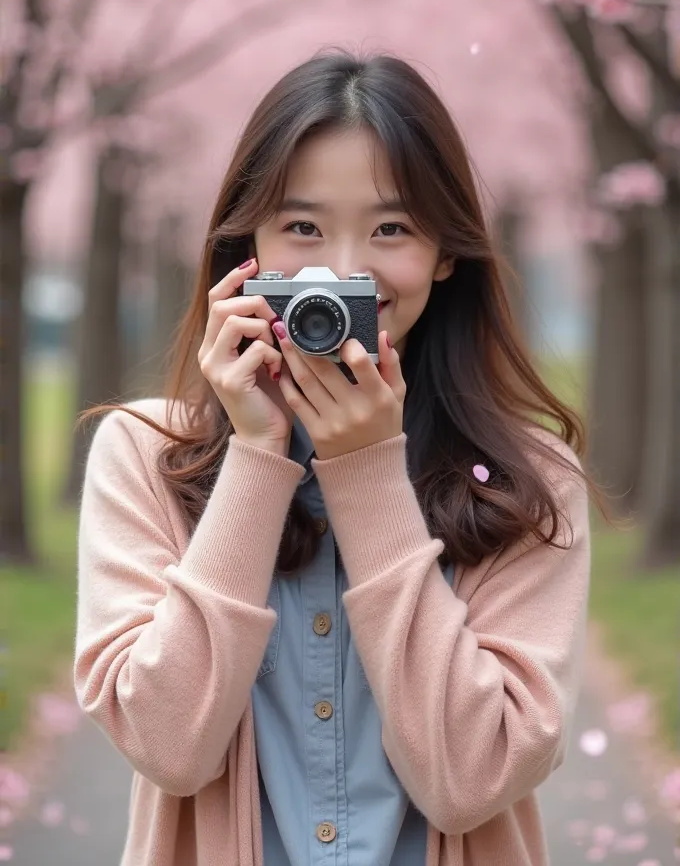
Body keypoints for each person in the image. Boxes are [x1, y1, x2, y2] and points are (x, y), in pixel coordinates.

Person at [74, 49, 596, 866]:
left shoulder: (529, 481)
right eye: (303, 227)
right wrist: (255, 456)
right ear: (245, 244)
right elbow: (166, 746)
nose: (344, 271)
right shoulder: (147, 455)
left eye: (391, 229)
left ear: (446, 254)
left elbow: (475, 777)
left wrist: (367, 477)